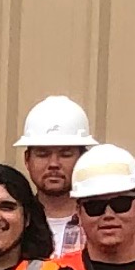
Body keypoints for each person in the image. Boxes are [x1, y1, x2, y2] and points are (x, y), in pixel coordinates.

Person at [17, 96, 96, 258]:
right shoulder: (13, 222)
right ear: (27, 159)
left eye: (65, 154)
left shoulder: (104, 223)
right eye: (43, 154)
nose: (54, 163)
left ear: (83, 158)